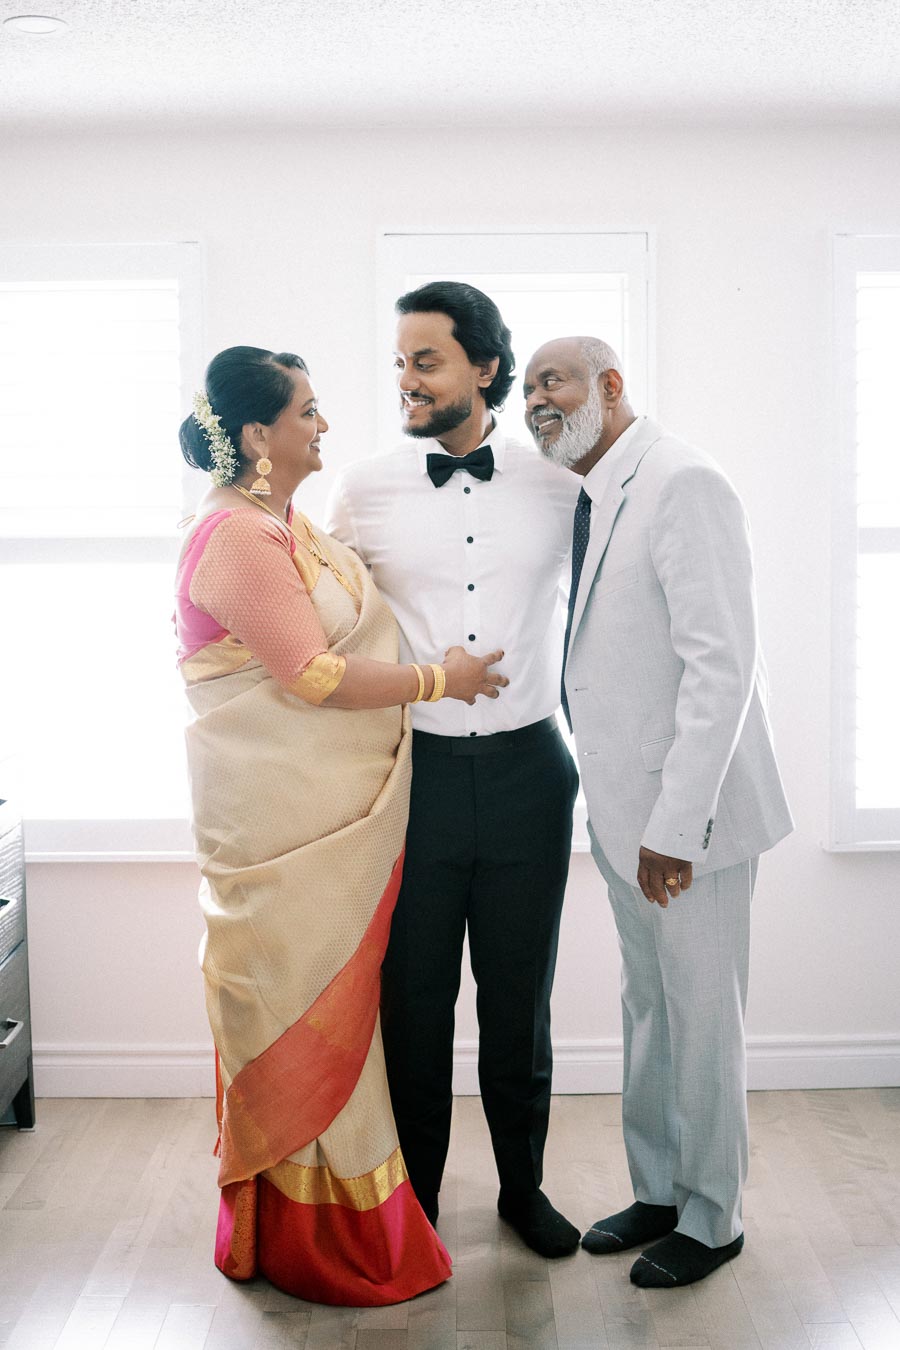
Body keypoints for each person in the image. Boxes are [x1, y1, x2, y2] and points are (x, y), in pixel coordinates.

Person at [174, 345, 507, 1306]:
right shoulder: (237, 538)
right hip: (279, 837)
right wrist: (447, 678)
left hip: (326, 825)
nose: (324, 426)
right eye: (308, 411)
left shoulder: (285, 524)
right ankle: (313, 1239)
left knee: (342, 1020)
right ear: (254, 436)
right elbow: (316, 677)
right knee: (296, 1010)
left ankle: (332, 1223)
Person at [523, 335, 793, 1287]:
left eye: (552, 380)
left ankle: (714, 1219)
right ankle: (662, 1190)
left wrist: (676, 829)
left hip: (691, 826)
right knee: (650, 1008)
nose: (536, 401)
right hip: (622, 816)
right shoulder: (596, 495)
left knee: (702, 1015)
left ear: (611, 384)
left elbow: (723, 667)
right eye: (526, 390)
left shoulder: (683, 480)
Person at [327, 282, 582, 1258]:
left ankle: (525, 1191)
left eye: (425, 359)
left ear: (483, 366)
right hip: (415, 778)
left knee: (520, 1002)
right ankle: (418, 1205)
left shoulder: (561, 489)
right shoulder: (366, 488)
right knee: (414, 1000)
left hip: (531, 774)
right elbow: (330, 629)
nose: (406, 380)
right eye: (398, 361)